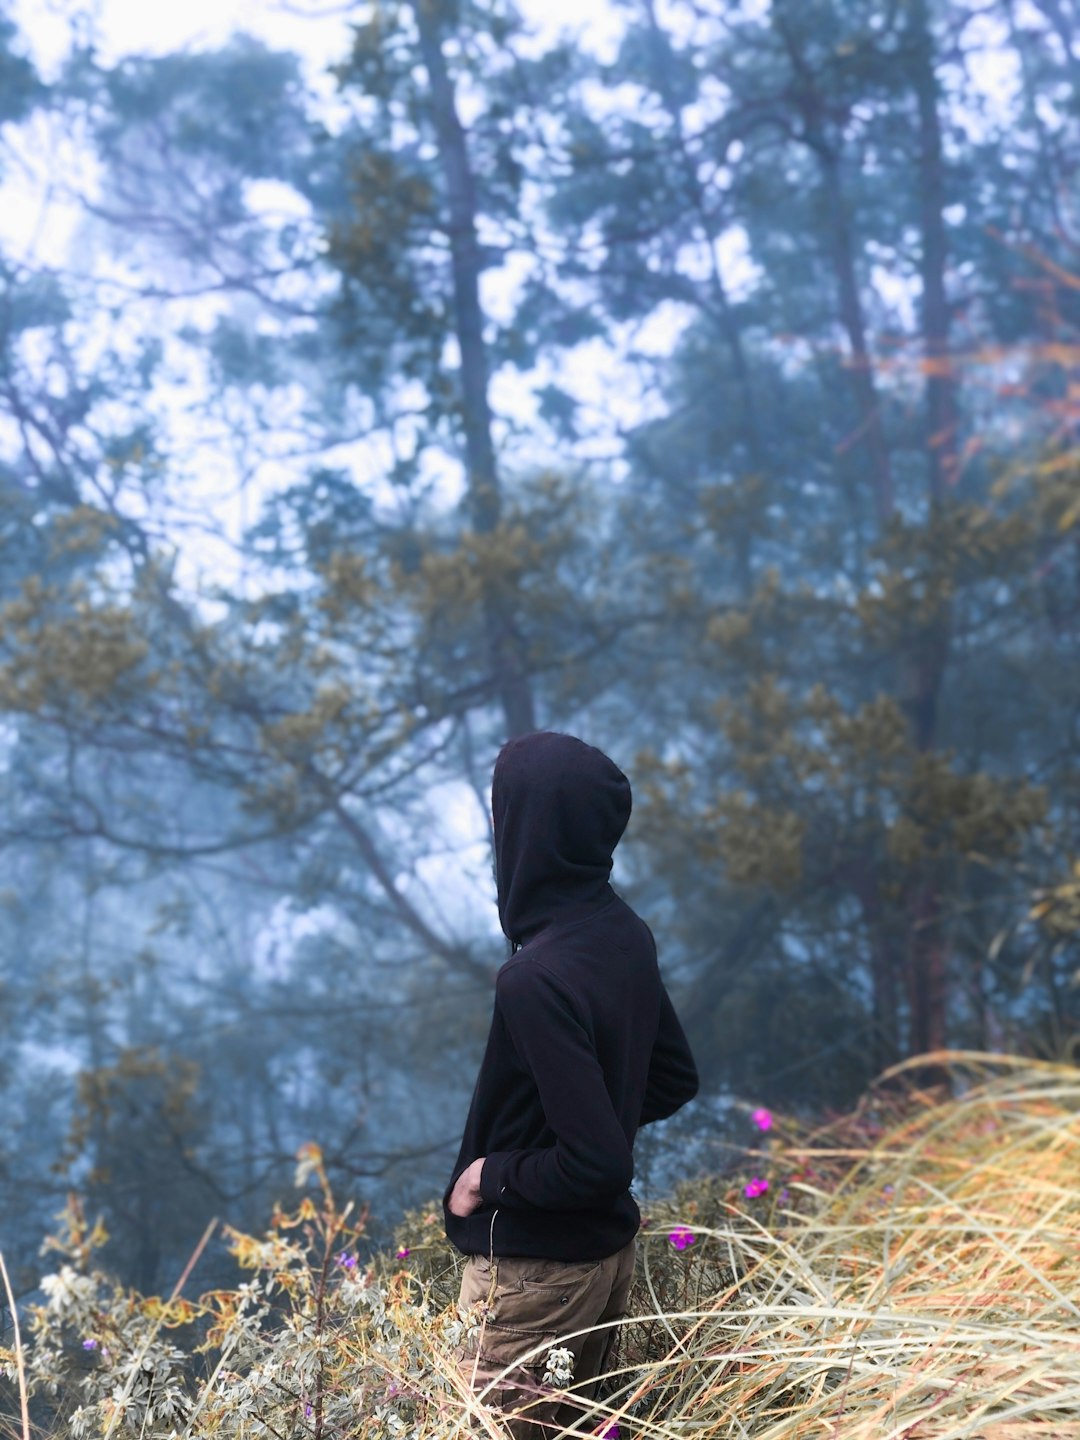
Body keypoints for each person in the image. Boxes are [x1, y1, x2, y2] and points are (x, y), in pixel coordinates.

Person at [443, 731, 699, 1437]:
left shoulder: (533, 979)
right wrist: (595, 1110)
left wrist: (491, 1175)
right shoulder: (622, 932)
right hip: (602, 1262)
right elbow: (674, 1078)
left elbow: (597, 1162)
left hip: (533, 1277)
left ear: (535, 829)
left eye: (504, 810)